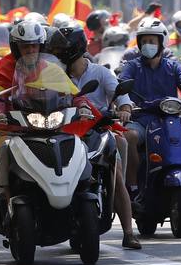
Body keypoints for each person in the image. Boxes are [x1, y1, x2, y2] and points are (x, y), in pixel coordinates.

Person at [49, 25, 141, 249]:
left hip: (98, 133)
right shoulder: (53, 75)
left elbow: (122, 97)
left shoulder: (100, 73)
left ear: (76, 48)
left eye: (63, 49)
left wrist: (125, 108)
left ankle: (128, 232)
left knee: (115, 173)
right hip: (65, 134)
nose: (59, 53)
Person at [117, 17, 181, 192]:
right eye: (144, 41)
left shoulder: (173, 66)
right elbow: (121, 85)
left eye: (151, 41)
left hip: (170, 121)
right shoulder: (132, 66)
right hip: (140, 121)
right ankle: (133, 186)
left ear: (162, 42)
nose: (147, 45)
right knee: (129, 136)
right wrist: (125, 107)